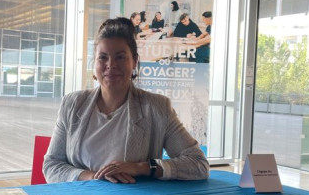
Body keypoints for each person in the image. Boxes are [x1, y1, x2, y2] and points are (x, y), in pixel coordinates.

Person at [42, 17, 209, 184]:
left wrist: (142, 168)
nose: (111, 65)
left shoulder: (157, 108)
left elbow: (198, 164)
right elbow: (52, 164)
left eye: (120, 57)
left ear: (134, 61)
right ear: (95, 62)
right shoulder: (72, 104)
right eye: (103, 57)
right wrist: (93, 177)